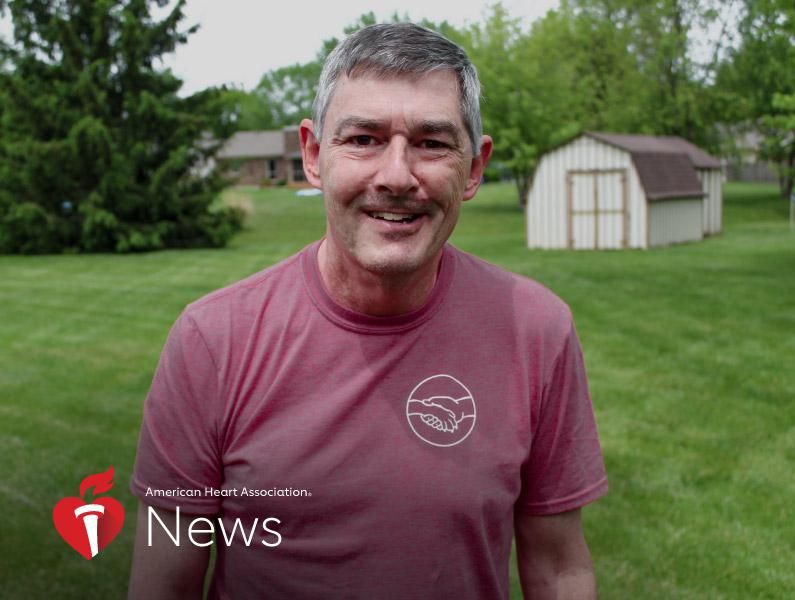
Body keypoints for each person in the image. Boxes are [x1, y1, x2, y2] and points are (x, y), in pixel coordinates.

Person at [128, 22, 608, 600]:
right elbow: (163, 584)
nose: (397, 177)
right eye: (363, 139)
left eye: (432, 143)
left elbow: (558, 567)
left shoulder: (536, 331)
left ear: (475, 167)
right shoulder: (211, 341)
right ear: (313, 155)